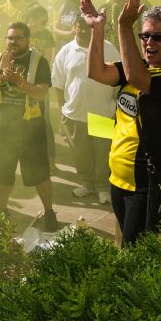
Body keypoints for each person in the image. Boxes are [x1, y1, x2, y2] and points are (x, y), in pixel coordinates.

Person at [85, 0, 161, 245]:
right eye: (144, 35)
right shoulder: (141, 66)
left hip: (149, 185)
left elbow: (136, 77)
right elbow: (96, 72)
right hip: (118, 179)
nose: (148, 42)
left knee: (134, 255)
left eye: (158, 37)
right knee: (131, 248)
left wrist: (124, 27)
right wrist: (97, 31)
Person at [0, 22, 59, 231]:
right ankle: (2, 212)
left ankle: (49, 212)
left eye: (18, 38)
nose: (13, 42)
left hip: (31, 130)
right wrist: (0, 72)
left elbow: (41, 92)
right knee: (4, 174)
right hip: (3, 131)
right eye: (10, 38)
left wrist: (19, 81)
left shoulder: (39, 61)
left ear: (28, 40)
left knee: (39, 175)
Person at [52, 11, 119, 206]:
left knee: (102, 154)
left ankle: (102, 187)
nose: (81, 29)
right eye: (78, 25)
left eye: (86, 26)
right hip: (75, 115)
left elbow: (118, 79)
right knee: (81, 154)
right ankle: (87, 184)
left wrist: (114, 105)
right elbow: (58, 83)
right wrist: (63, 109)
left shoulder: (108, 48)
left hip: (102, 113)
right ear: (74, 27)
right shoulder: (65, 51)